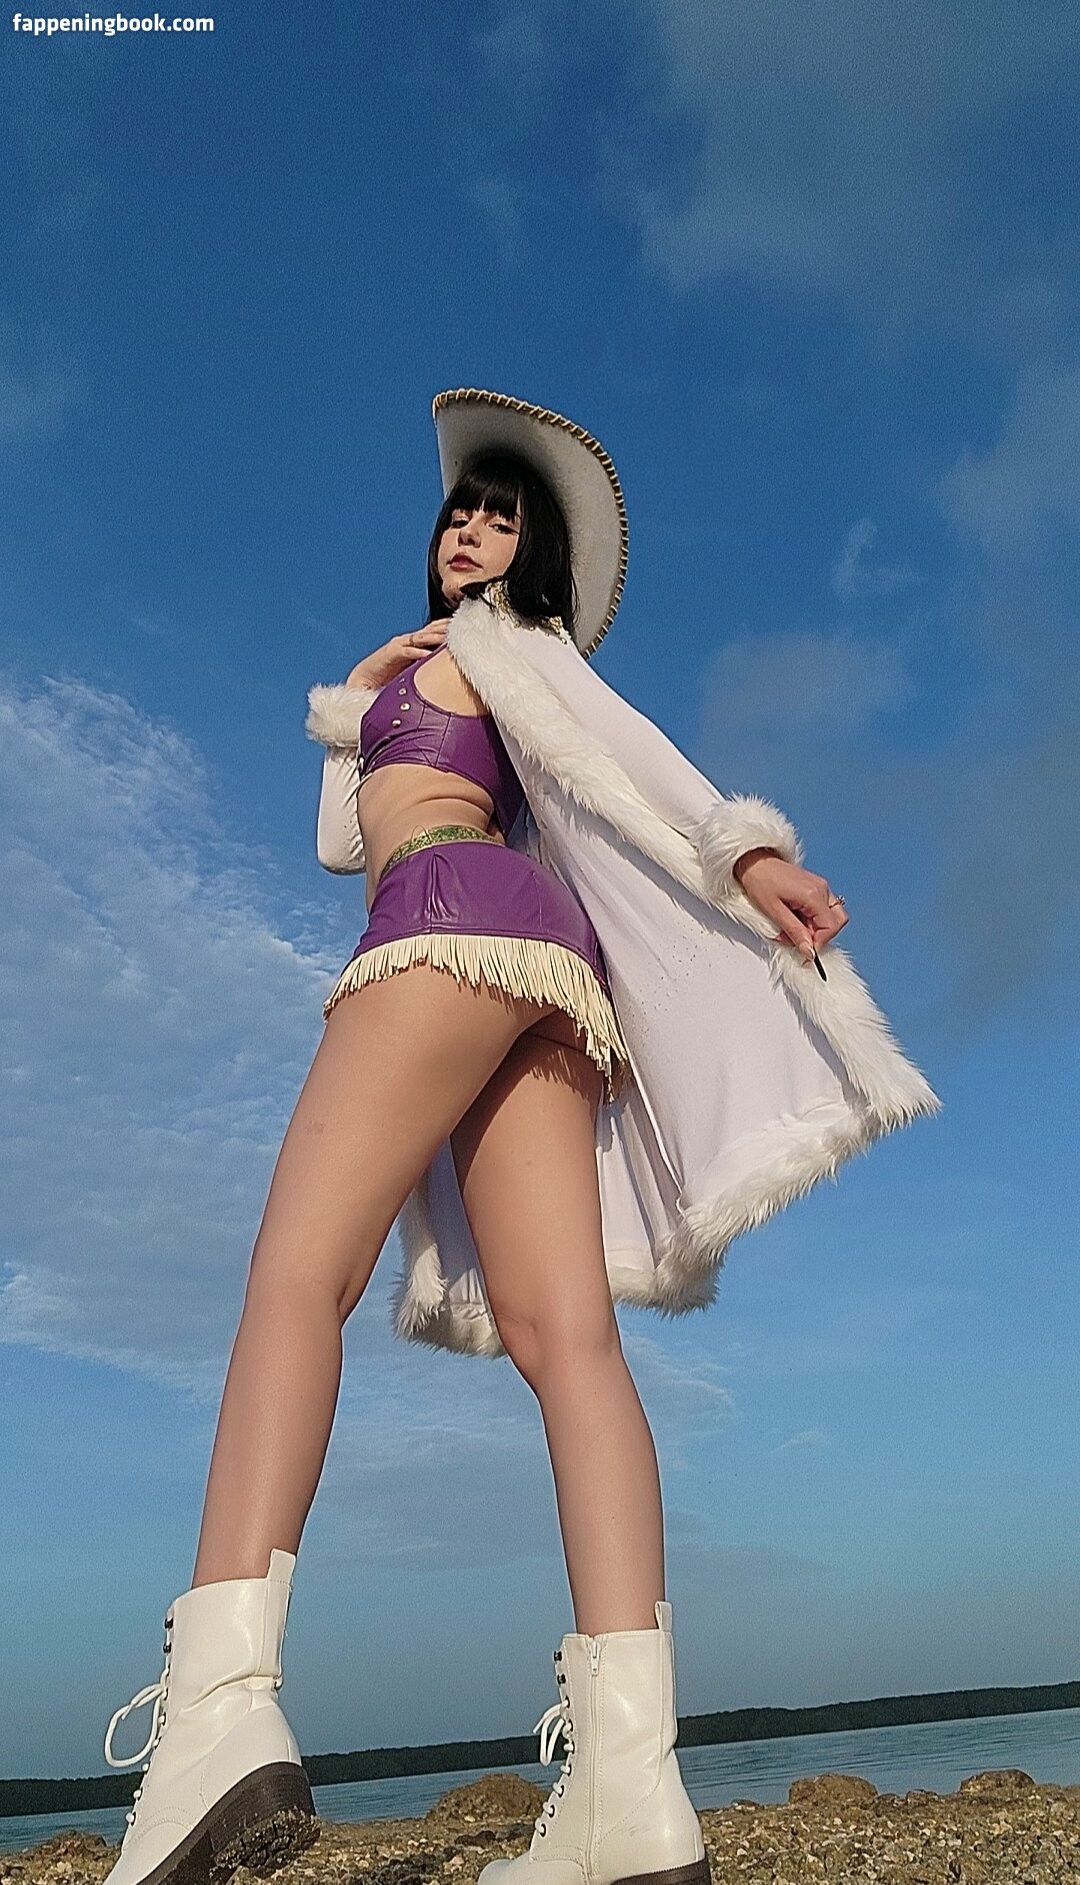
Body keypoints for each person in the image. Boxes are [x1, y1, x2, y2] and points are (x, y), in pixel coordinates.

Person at [101, 389, 940, 1885]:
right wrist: (368, 691)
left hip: (449, 918)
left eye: (500, 518)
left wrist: (748, 852)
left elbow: (623, 754)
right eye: (458, 512)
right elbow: (340, 830)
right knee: (570, 1340)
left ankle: (220, 1709)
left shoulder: (508, 644)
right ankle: (629, 1788)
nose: (470, 530)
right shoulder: (449, 663)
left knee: (296, 1276)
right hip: (544, 967)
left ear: (531, 555)